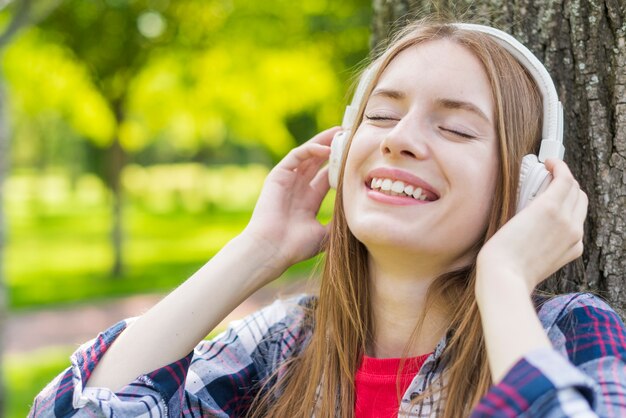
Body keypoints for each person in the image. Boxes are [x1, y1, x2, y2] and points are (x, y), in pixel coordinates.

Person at [30, 19, 626, 418]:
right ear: (343, 152)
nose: (402, 142)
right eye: (383, 117)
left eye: (456, 128)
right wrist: (258, 251)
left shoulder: (566, 334)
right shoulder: (285, 345)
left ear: (527, 188)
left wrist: (503, 277)